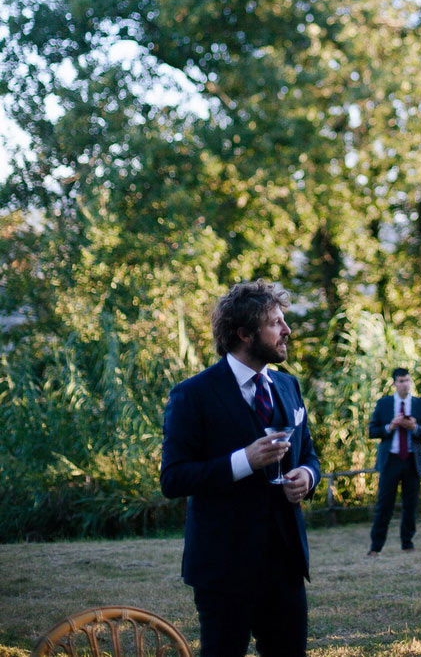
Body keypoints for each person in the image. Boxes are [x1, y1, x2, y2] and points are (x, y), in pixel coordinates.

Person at [160, 279, 320, 657]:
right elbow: (173, 478)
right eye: (276, 323)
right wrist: (242, 461)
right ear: (245, 333)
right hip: (223, 568)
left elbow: (309, 454)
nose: (287, 330)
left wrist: (307, 477)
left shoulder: (288, 385)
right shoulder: (192, 395)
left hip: (285, 563)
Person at [367, 366, 421, 555]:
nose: (405, 384)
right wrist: (391, 426)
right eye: (401, 381)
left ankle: (407, 543)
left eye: (408, 380)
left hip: (412, 460)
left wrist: (415, 427)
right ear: (394, 383)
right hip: (391, 460)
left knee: (411, 504)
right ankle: (376, 547)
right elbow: (372, 431)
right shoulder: (384, 404)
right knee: (384, 504)